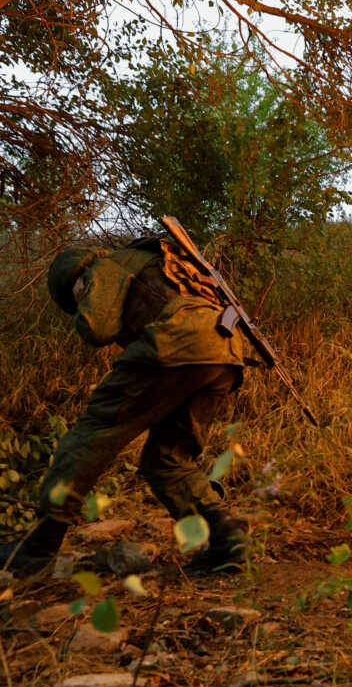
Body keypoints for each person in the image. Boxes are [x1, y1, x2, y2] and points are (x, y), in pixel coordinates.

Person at [0, 238, 248, 577]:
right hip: (226, 351)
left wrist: (85, 301)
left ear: (77, 278)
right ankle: (227, 542)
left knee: (92, 434)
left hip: (179, 340)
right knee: (167, 459)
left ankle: (37, 549)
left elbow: (97, 328)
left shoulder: (104, 268)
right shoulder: (152, 264)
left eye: (76, 296)